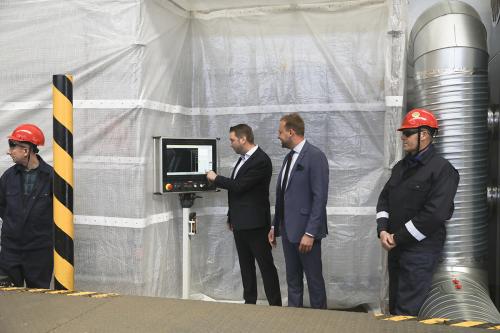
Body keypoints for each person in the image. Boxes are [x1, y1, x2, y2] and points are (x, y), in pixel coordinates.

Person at [376, 108, 459, 316]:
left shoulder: (443, 170)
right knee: (394, 305)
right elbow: (384, 199)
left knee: (406, 312)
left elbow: (434, 215)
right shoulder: (400, 167)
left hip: (419, 252)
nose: (403, 137)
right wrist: (383, 231)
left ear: (424, 135)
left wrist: (398, 237)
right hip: (395, 248)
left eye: (407, 133)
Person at [206, 124, 282, 306]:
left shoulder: (261, 160)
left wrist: (215, 178)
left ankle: (276, 306)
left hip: (256, 225)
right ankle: (249, 303)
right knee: (246, 267)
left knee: (265, 267)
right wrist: (231, 217)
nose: (230, 144)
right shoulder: (243, 159)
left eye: (232, 140)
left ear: (243, 139)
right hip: (241, 224)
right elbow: (238, 194)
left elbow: (239, 186)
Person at [268, 113, 329, 309]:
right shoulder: (288, 159)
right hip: (287, 231)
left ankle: (322, 324)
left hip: (306, 234)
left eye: (280, 132)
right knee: (293, 281)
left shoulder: (315, 156)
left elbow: (320, 198)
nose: (278, 136)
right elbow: (282, 196)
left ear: (291, 132)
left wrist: (310, 232)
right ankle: (294, 322)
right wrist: (274, 226)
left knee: (314, 282)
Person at [0, 124, 54, 288]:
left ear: (26, 150)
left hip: (39, 251)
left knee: (38, 300)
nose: (9, 151)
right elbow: (2, 206)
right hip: (11, 250)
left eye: (12, 146)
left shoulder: (51, 177)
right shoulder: (8, 177)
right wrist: (14, 225)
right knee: (7, 296)